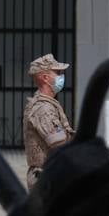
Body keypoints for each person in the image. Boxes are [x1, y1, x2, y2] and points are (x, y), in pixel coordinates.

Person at [22, 54, 74, 188]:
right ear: (45, 78)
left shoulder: (48, 104)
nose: (61, 76)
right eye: (57, 73)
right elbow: (59, 144)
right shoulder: (43, 108)